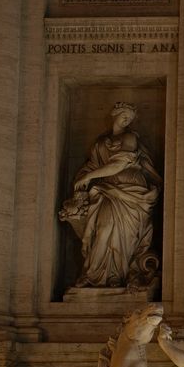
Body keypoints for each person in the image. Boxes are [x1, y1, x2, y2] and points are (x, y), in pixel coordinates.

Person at [66, 102, 161, 288]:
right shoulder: (100, 143)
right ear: (114, 113)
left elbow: (117, 165)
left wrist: (89, 176)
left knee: (124, 236)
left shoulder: (130, 137)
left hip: (130, 190)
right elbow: (91, 166)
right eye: (124, 115)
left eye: (130, 119)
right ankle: (95, 275)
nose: (127, 120)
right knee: (103, 230)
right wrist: (82, 180)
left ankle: (117, 276)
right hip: (106, 191)